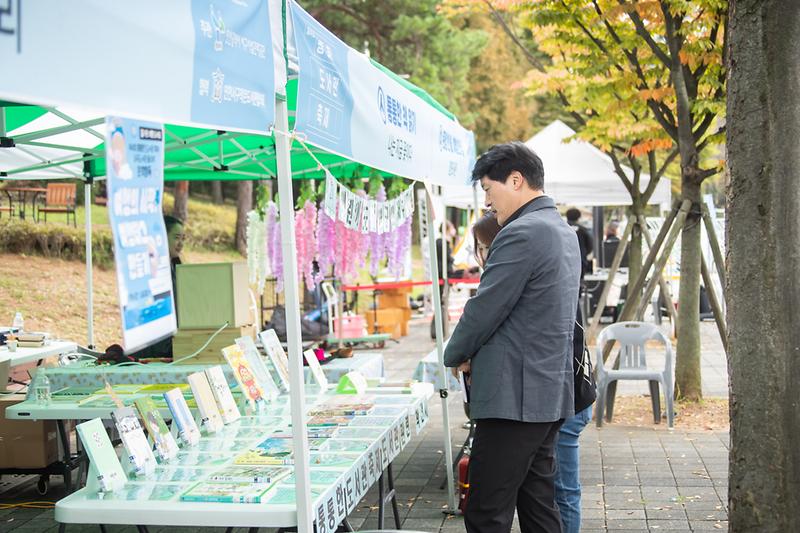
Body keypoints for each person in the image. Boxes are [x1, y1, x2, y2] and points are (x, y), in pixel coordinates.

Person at [443, 141, 581, 533]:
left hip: (514, 398)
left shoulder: (522, 232)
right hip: (546, 391)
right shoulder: (561, 230)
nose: (488, 201)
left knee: (487, 510)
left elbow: (486, 307)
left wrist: (454, 354)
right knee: (538, 506)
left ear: (516, 180)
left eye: (489, 189)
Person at [469, 211, 594, 533]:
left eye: (484, 247)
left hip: (534, 399)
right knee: (540, 497)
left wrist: (459, 353)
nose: (481, 255)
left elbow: (483, 319)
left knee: (526, 499)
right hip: (554, 395)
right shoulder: (556, 242)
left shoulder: (519, 261)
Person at [566, 207, 593, 277]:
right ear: (579, 217)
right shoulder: (583, 230)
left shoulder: (561, 228)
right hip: (580, 260)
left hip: (564, 261)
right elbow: (590, 245)